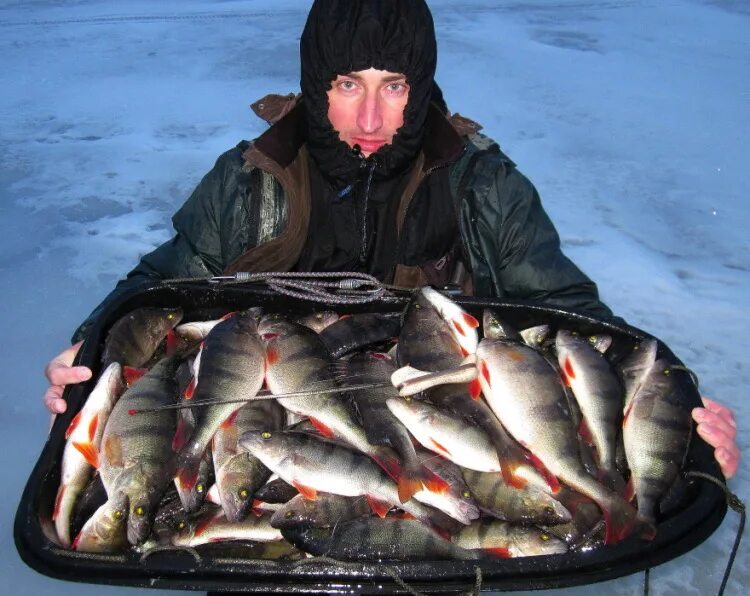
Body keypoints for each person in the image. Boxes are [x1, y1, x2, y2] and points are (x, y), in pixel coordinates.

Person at [43, 0, 739, 482]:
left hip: (440, 432)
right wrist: (90, 352)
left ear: (422, 86)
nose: (371, 116)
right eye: (348, 84)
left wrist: (662, 406)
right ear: (317, 85)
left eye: (394, 85)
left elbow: (568, 310)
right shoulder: (244, 182)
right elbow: (156, 287)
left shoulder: (482, 185)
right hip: (264, 429)